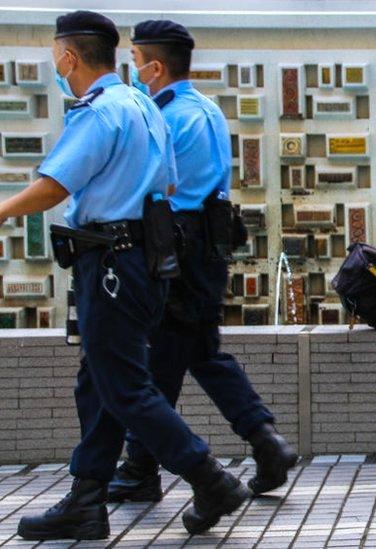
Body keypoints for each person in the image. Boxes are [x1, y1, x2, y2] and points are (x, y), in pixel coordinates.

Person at [0, 11, 249, 541]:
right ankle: (86, 499)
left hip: (111, 262)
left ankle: (210, 479)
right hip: (143, 261)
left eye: (55, 53)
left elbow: (55, 185)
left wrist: (0, 211)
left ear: (68, 56)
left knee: (127, 387)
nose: (55, 62)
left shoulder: (100, 111)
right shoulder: (143, 105)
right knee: (99, 383)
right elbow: (170, 183)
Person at [105, 19, 298, 504]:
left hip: (178, 243)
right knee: (200, 351)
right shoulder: (206, 109)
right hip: (210, 243)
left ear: (155, 66)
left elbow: (153, 187)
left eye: (134, 62)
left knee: (163, 356)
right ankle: (265, 441)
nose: (131, 71)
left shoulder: (164, 117)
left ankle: (142, 468)